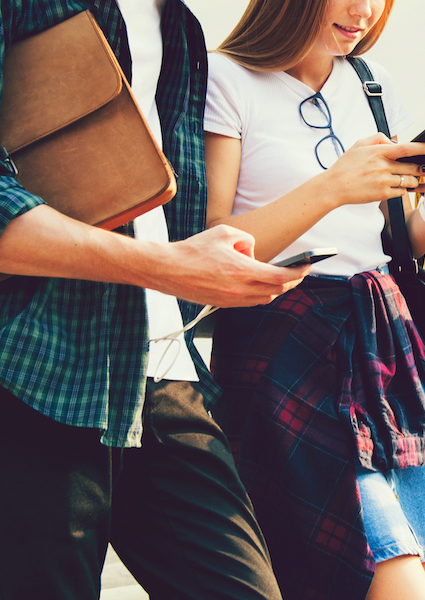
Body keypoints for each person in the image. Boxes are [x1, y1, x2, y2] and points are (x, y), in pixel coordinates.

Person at [0, 1, 312, 599]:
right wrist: (169, 269)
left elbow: (172, 216)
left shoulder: (182, 28)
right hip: (34, 372)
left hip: (163, 375)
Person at [202, 1, 425, 600]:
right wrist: (333, 187)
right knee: (382, 573)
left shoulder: (372, 85)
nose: (364, 11)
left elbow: (390, 244)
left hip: (384, 343)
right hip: (285, 344)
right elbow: (214, 244)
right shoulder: (226, 78)